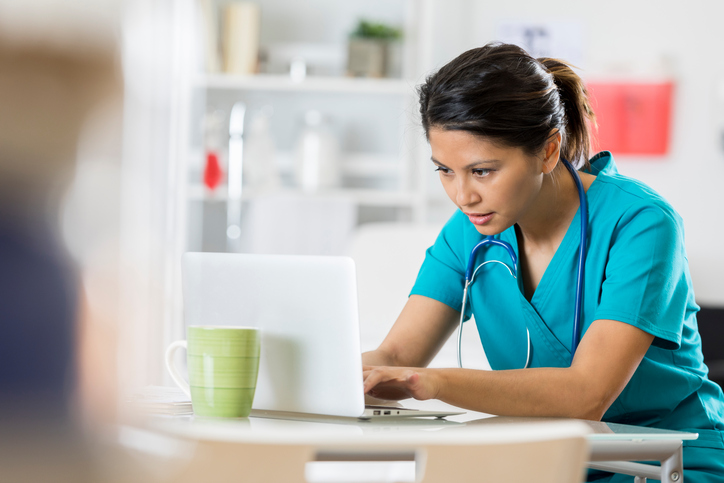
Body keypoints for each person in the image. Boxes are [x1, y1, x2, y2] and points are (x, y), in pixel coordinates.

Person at [362, 42, 724, 482]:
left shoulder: (641, 224)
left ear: (549, 151)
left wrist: (432, 382)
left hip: (666, 458)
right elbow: (397, 354)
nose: (462, 196)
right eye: (444, 170)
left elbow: (585, 395)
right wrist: (338, 373)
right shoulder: (469, 232)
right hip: (549, 459)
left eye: (482, 171)